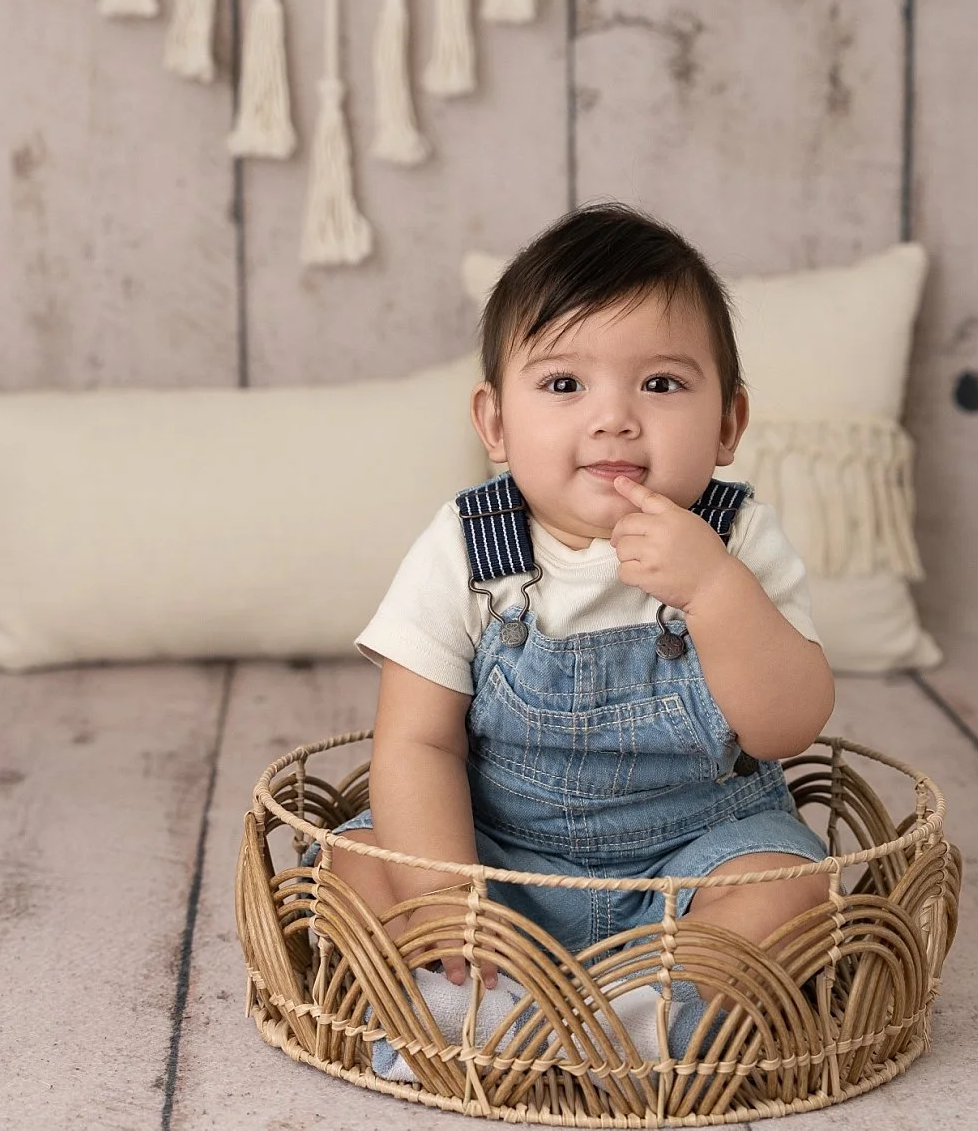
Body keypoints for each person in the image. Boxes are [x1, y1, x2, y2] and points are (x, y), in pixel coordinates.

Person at [323, 202, 836, 1075]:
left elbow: (786, 727)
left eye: (661, 384)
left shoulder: (736, 539)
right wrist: (455, 899)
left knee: (796, 890)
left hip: (691, 867)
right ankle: (476, 991)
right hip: (502, 860)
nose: (614, 419)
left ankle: (635, 1027)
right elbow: (414, 740)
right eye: (565, 385)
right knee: (354, 864)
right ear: (493, 423)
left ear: (727, 423)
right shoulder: (466, 546)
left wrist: (713, 589)